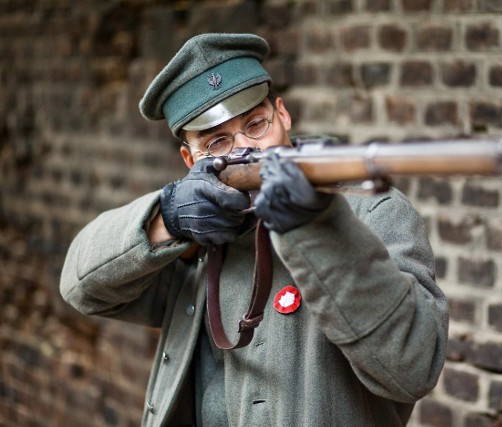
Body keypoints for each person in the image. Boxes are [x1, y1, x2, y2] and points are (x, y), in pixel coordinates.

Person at [60, 33, 448, 426]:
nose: (247, 149)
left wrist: (316, 226)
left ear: (283, 114)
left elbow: (413, 370)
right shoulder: (194, 229)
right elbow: (82, 287)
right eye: (217, 142)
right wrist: (169, 217)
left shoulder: (374, 212)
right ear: (188, 158)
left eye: (257, 124)